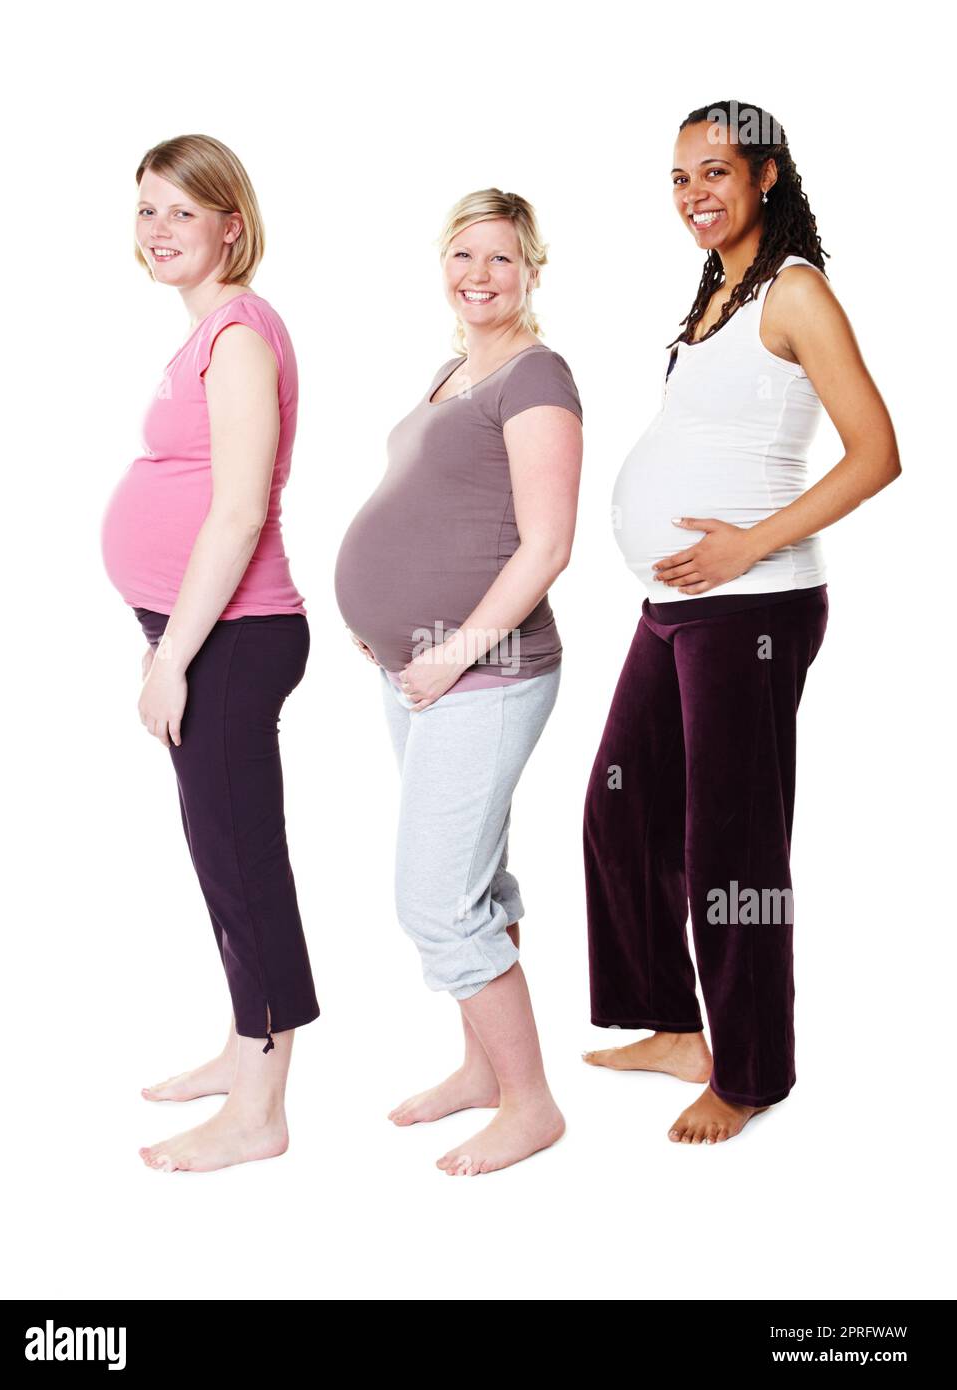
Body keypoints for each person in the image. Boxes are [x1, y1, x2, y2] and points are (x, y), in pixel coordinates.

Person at [582, 101, 900, 1144]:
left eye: (713, 172)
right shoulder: (716, 293)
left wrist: (747, 544)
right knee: (619, 811)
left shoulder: (796, 291)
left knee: (735, 853)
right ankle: (674, 1023)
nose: (694, 196)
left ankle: (752, 1069)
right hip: (677, 604)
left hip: (750, 608)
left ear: (765, 173)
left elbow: (873, 454)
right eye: (678, 179)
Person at [335, 189, 583, 1176]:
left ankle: (531, 1103)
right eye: (464, 255)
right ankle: (484, 1072)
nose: (480, 275)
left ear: (532, 271)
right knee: (474, 876)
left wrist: (448, 649)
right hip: (420, 668)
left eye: (503, 260)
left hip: (484, 671)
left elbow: (547, 544)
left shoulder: (537, 376)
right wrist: (385, 623)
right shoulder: (454, 372)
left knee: (434, 897)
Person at [100, 134, 319, 1173]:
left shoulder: (236, 335)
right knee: (222, 855)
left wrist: (172, 658)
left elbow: (236, 516)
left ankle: (262, 1110)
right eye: (147, 210)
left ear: (231, 223)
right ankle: (244, 1047)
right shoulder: (209, 331)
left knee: (242, 861)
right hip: (203, 636)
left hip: (231, 637)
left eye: (182, 211)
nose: (158, 231)